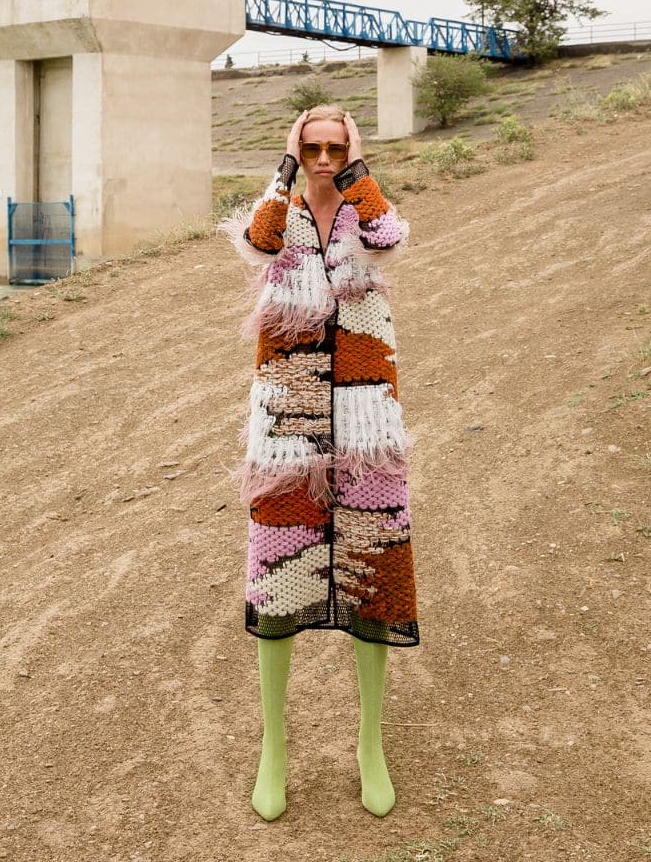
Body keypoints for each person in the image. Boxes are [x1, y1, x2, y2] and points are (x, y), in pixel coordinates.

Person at [218, 103, 419, 821]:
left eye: (337, 146)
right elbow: (257, 239)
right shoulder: (282, 213)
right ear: (298, 149)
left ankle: (372, 744)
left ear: (352, 147)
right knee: (278, 572)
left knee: (372, 566)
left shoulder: (370, 214)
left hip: (368, 420)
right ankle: (275, 746)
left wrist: (361, 168)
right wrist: (284, 166)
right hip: (286, 424)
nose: (326, 158)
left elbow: (390, 239)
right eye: (315, 147)